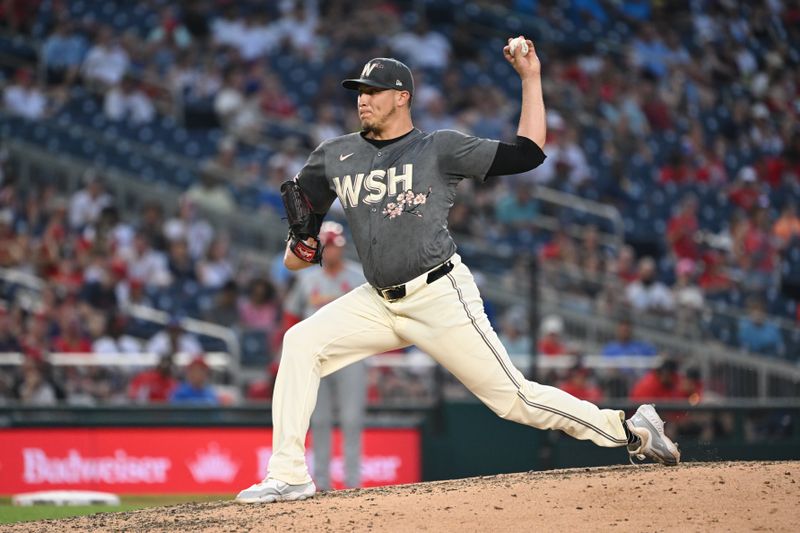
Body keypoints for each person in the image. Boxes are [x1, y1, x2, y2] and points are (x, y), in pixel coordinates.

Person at [236, 39, 679, 504]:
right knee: (300, 342)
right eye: (359, 91)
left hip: (439, 293)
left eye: (374, 90)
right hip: (376, 299)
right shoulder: (334, 155)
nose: (362, 98)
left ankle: (629, 429)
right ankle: (288, 474)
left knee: (514, 399)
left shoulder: (439, 148)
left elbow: (528, 154)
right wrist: (303, 245)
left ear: (402, 96)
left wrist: (531, 78)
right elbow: (295, 256)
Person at [283, 222, 367, 492]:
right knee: (318, 421)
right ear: (321, 248)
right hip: (316, 358)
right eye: (329, 246)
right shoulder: (307, 278)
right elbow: (292, 315)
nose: (333, 251)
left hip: (351, 353)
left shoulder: (357, 276)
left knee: (352, 420)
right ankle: (322, 484)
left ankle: (353, 483)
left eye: (336, 246)